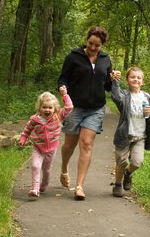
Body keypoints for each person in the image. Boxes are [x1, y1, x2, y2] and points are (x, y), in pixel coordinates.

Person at [57, 26, 113, 200]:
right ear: (87, 40)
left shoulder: (105, 60)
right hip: (75, 107)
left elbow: (108, 86)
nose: (93, 48)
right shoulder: (73, 57)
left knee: (86, 144)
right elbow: (63, 77)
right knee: (69, 145)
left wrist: (112, 78)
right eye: (91, 43)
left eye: (97, 45)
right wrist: (62, 87)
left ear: (102, 45)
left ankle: (79, 186)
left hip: (95, 108)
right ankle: (64, 167)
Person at [110, 67, 150, 198]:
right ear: (127, 80)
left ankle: (128, 174)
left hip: (140, 136)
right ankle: (117, 185)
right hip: (125, 135)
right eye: (132, 77)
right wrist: (115, 81)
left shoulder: (147, 97)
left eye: (139, 78)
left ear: (142, 81)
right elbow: (115, 96)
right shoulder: (124, 95)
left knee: (137, 162)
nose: (136, 79)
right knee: (121, 161)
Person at [19, 86, 73, 197]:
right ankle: (35, 189)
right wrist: (23, 138)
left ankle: (44, 183)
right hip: (38, 148)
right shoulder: (35, 119)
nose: (47, 110)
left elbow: (69, 107)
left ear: (55, 108)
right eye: (44, 107)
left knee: (46, 169)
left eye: (50, 108)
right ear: (40, 108)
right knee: (35, 166)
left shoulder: (58, 116)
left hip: (51, 149)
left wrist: (64, 95)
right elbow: (27, 129)